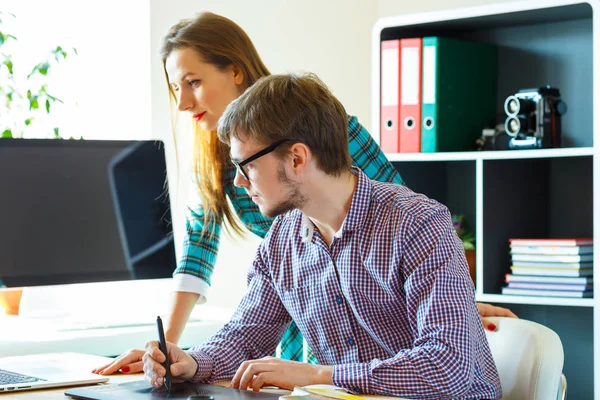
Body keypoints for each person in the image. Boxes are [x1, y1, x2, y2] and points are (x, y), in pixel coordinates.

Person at [93, 11, 516, 376]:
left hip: (381, 327)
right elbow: (232, 318)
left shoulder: (406, 216)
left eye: (193, 81)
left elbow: (401, 223)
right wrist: (177, 355)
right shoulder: (280, 236)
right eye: (175, 89)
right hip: (309, 304)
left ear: (298, 157)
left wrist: (445, 295)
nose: (183, 103)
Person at [142, 73, 502, 398]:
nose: (238, 181)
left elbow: (447, 368)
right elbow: (245, 336)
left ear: (297, 158)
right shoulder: (281, 243)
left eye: (246, 165)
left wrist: (316, 376)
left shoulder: (418, 224)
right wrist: (192, 362)